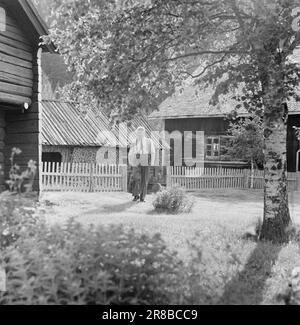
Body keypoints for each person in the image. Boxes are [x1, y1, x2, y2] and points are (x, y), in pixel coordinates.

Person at [128, 126, 156, 202]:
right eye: (138, 132)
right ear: (137, 133)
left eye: (141, 132)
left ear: (144, 133)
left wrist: (152, 162)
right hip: (136, 159)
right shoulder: (134, 141)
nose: (140, 133)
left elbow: (153, 152)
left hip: (145, 159)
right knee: (135, 178)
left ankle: (142, 197)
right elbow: (131, 152)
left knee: (144, 179)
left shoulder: (149, 141)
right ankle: (136, 195)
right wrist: (130, 160)